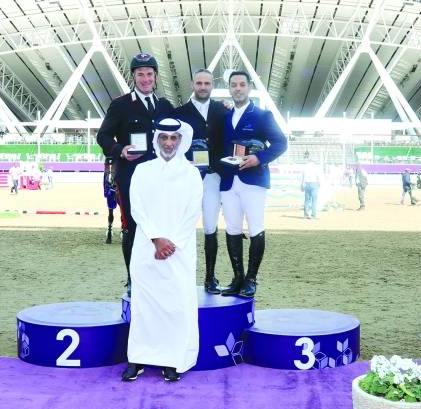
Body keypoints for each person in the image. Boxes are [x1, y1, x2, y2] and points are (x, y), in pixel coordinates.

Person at [122, 118, 203, 383]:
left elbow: (192, 213)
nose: (169, 143)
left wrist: (172, 243)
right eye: (164, 138)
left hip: (179, 250)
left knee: (176, 304)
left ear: (181, 141)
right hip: (147, 247)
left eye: (174, 138)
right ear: (156, 140)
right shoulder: (143, 170)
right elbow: (137, 209)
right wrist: (157, 238)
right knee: (145, 305)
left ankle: (173, 360)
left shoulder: (191, 173)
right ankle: (139, 358)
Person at [96, 53, 175, 294]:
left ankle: (160, 276)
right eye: (140, 74)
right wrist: (120, 150)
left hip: (162, 178)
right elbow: (103, 136)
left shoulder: (164, 106)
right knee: (132, 226)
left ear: (156, 77)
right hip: (131, 177)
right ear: (133, 77)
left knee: (161, 226)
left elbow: (183, 128)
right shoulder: (120, 105)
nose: (145, 79)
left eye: (149, 74)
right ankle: (133, 279)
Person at [217, 71, 288, 298]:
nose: (237, 88)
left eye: (241, 85)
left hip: (254, 180)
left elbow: (281, 142)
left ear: (249, 88)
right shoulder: (223, 115)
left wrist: (260, 158)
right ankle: (237, 277)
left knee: (255, 227)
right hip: (228, 180)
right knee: (232, 228)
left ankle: (251, 279)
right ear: (229, 88)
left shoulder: (262, 115)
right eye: (233, 85)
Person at [174, 68, 231, 294]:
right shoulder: (179, 113)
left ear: (212, 86)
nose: (203, 87)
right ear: (192, 84)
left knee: (210, 227)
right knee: (182, 228)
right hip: (187, 177)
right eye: (199, 83)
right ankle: (180, 277)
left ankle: (210, 277)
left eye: (207, 83)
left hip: (213, 177)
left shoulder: (223, 110)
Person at [300, 152, 321, 219]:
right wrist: (319, 183)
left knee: (306, 200)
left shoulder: (305, 166)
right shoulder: (315, 166)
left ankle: (305, 215)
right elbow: (318, 176)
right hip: (314, 183)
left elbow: (303, 177)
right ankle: (313, 215)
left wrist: (302, 185)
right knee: (314, 201)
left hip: (306, 184)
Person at [103, 158, 118, 244]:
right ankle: (109, 229)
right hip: (110, 187)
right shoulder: (107, 159)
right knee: (110, 211)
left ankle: (124, 229)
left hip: (119, 181)